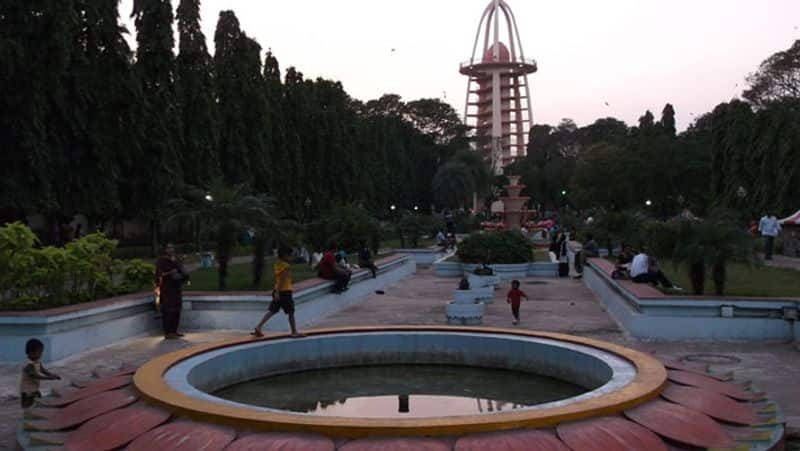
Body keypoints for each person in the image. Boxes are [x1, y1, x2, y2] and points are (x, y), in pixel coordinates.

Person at [252, 246, 302, 337]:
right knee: (291, 312)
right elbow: (282, 280)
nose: (291, 257)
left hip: (277, 290)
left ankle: (259, 326)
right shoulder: (286, 266)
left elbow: (277, 279)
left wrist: (276, 292)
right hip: (285, 291)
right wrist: (278, 292)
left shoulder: (277, 264)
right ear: (284, 256)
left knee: (272, 310)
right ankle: (294, 331)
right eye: (290, 255)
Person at [154, 243, 189, 339]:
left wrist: (184, 273)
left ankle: (174, 331)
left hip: (176, 288)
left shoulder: (176, 260)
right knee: (168, 311)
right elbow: (158, 275)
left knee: (176, 310)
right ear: (165, 249)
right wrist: (169, 273)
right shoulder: (161, 261)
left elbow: (182, 272)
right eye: (168, 248)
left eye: (172, 247)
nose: (171, 249)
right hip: (167, 290)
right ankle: (168, 332)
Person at [20, 339, 60, 409]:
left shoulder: (36, 361)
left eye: (41, 352)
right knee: (28, 404)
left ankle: (34, 412)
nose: (41, 354)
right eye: (39, 352)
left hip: (34, 388)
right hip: (27, 390)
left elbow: (42, 370)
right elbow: (35, 376)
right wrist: (49, 378)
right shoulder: (28, 365)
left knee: (37, 401)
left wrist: (51, 375)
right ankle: (27, 414)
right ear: (31, 353)